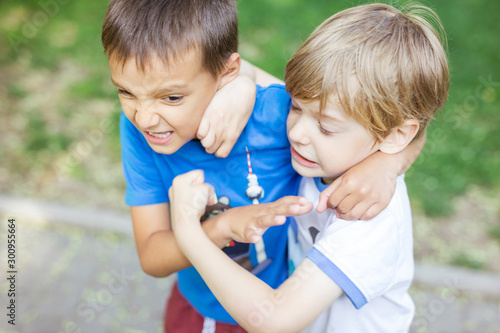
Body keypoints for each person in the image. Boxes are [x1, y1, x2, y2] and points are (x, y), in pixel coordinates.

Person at [101, 0, 424, 331]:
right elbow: (152, 256)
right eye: (125, 92)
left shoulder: (292, 124)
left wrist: (389, 163)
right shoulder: (140, 131)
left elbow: (393, 125)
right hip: (204, 308)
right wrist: (242, 82)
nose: (144, 117)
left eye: (171, 98)